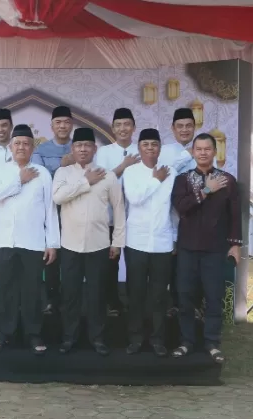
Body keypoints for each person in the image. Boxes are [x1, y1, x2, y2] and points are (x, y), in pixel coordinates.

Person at [53, 127, 125, 356]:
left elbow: (119, 210)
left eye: (87, 146)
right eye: (78, 146)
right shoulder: (63, 173)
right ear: (72, 149)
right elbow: (58, 197)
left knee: (96, 294)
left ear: (95, 149)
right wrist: (85, 181)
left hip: (100, 245)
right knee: (70, 295)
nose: (83, 149)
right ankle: (69, 338)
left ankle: (97, 338)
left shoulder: (108, 175)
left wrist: (117, 242)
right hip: (70, 245)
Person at [0, 124, 59, 354]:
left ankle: (33, 334)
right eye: (17, 143)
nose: (21, 147)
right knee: (6, 290)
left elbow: (50, 210)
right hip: (4, 242)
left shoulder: (43, 173)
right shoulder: (0, 171)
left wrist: (52, 243)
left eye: (26, 144)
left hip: (34, 242)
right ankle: (5, 333)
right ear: (11, 146)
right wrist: (19, 180)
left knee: (32, 290)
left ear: (32, 147)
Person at [171, 133, 242, 364]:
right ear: (193, 152)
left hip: (214, 248)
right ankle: (186, 341)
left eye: (207, 149)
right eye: (198, 149)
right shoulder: (182, 179)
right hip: (187, 248)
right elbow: (182, 207)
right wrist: (206, 191)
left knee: (214, 296)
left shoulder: (228, 180)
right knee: (185, 295)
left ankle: (212, 342)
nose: (202, 153)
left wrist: (235, 245)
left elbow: (234, 216)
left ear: (214, 152)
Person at [122, 128, 176, 357]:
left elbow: (174, 209)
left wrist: (174, 238)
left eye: (154, 144)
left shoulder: (171, 172)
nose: (150, 148)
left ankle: (157, 339)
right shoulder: (131, 172)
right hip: (136, 242)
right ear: (139, 148)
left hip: (162, 243)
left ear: (160, 148)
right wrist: (155, 181)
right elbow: (134, 198)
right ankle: (135, 338)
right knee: (135, 293)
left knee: (158, 294)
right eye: (146, 144)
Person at [95, 107, 140, 317]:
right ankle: (112, 302)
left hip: (136, 217)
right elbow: (101, 179)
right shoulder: (104, 152)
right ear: (112, 128)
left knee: (134, 263)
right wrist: (124, 165)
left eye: (127, 124)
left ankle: (134, 303)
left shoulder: (142, 150)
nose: (123, 129)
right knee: (110, 262)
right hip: (110, 218)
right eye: (118, 125)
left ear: (133, 127)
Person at [31, 105, 74, 315]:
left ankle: (70, 301)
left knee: (72, 261)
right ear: (52, 126)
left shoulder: (81, 147)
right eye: (58, 122)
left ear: (72, 125)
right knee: (51, 258)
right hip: (51, 212)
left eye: (66, 122)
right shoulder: (41, 150)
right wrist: (63, 167)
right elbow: (41, 179)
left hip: (75, 213)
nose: (63, 126)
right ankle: (51, 300)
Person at [159, 107, 202, 317]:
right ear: (173, 128)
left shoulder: (202, 148)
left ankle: (194, 305)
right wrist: (187, 154)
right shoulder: (165, 150)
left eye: (189, 126)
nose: (184, 130)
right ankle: (175, 304)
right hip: (171, 216)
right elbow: (165, 173)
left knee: (194, 264)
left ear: (195, 127)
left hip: (198, 216)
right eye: (180, 126)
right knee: (175, 264)